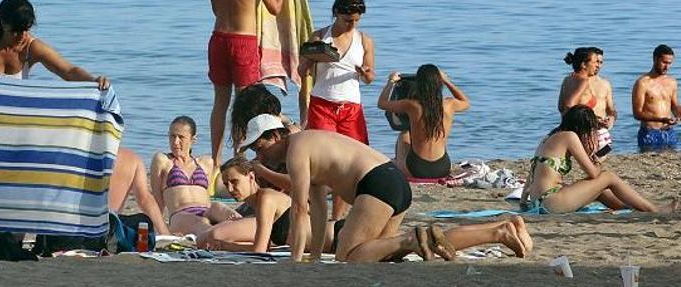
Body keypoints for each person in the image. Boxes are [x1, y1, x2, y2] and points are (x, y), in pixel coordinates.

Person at [232, 114, 533, 263]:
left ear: (274, 136)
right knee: (386, 253)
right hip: (393, 181)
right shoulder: (308, 143)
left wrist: (295, 266)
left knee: (347, 257)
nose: (259, 156)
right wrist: (310, 261)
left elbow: (298, 211)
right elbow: (318, 207)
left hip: (376, 183)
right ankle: (499, 231)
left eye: (258, 147)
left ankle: (414, 240)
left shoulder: (296, 149)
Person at [207, 0, 298, 166]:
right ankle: (237, 156)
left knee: (220, 102)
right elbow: (275, 8)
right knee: (244, 102)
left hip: (218, 39)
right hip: (243, 41)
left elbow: (218, 9)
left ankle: (216, 159)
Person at [297, 0, 375, 218]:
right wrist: (313, 55)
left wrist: (365, 73)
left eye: (356, 21)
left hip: (351, 106)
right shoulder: (320, 36)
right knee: (322, 162)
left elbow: (370, 77)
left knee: (348, 163)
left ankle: (337, 217)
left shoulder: (365, 41)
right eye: (347, 20)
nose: (352, 24)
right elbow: (301, 72)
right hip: (323, 103)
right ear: (336, 14)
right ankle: (319, 212)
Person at [521, 105, 678, 214]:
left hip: (539, 201)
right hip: (551, 202)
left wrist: (523, 202)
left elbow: (532, 173)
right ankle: (654, 210)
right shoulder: (570, 136)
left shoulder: (549, 138)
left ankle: (630, 209)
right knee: (607, 176)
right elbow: (594, 173)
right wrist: (600, 159)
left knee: (598, 189)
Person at [197, 155, 341, 253]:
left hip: (338, 236)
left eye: (234, 182)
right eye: (226, 184)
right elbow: (265, 247)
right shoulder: (259, 207)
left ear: (251, 177)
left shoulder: (266, 199)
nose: (230, 189)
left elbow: (259, 250)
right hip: (333, 244)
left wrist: (224, 245)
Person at [150, 116, 241, 235]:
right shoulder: (163, 160)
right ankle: (220, 235)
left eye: (181, 137)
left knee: (221, 209)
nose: (176, 142)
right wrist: (157, 228)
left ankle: (250, 231)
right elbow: (157, 200)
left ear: (193, 140)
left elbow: (207, 196)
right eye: (172, 136)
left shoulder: (206, 162)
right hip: (180, 215)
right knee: (201, 222)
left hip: (207, 210)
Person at [377, 66, 469, 179]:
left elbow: (382, 103)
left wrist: (391, 82)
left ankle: (399, 163)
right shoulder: (449, 104)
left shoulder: (412, 105)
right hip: (443, 168)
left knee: (404, 135)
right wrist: (446, 80)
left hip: (416, 169)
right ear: (438, 83)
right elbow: (465, 102)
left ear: (419, 84)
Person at [558, 47, 616, 158]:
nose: (597, 66)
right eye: (595, 62)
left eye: (600, 62)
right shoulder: (583, 81)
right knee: (597, 165)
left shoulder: (567, 80)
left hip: (569, 131)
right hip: (586, 133)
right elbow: (569, 105)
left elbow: (561, 107)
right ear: (584, 65)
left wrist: (610, 118)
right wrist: (594, 120)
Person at [109, 149, 170, 236]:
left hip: (83, 230)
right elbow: (144, 200)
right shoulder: (131, 159)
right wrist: (166, 234)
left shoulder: (83, 156)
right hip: (107, 232)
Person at [632, 44, 680, 150]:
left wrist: (678, 115)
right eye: (664, 62)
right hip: (650, 133)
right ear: (655, 59)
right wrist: (661, 119)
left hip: (669, 131)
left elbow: (675, 105)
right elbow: (637, 113)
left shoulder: (671, 82)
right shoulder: (642, 83)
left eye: (669, 63)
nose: (667, 67)